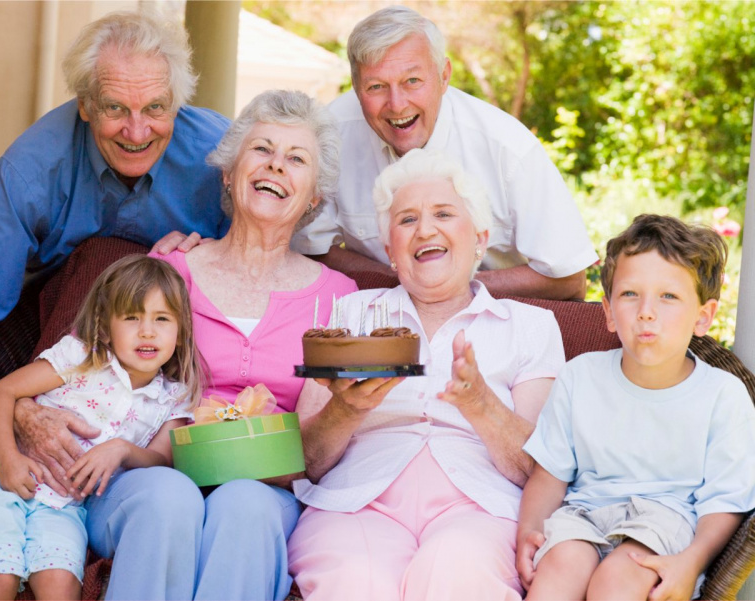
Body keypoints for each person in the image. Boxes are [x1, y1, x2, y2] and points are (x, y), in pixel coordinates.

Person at [16, 90, 357, 600]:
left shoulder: (336, 298)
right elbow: (74, 362)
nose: (275, 167)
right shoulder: (171, 271)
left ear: (313, 197)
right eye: (261, 150)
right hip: (142, 477)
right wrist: (23, 410)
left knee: (245, 504)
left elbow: (315, 452)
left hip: (267, 489)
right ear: (228, 172)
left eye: (296, 159)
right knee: (169, 495)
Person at [0, 10, 230, 478]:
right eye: (115, 108)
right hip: (41, 339)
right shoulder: (31, 170)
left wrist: (208, 256)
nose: (138, 132)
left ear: (179, 103)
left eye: (156, 108)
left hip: (165, 363)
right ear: (85, 104)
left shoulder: (223, 159)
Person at [287, 148, 565, 601]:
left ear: (479, 236)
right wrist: (347, 407)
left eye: (443, 213)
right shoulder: (350, 315)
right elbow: (307, 460)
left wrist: (481, 405)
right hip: (358, 501)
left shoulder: (530, 327)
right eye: (407, 219)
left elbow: (536, 468)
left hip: (480, 506)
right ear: (391, 249)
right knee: (357, 581)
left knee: (457, 572)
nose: (426, 229)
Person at [516, 214, 755, 600]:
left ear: (703, 317)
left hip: (665, 521)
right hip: (584, 515)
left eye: (668, 296)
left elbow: (726, 502)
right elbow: (549, 474)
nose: (646, 311)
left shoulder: (722, 395)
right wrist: (529, 532)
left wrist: (692, 561)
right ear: (608, 311)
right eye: (630, 294)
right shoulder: (581, 376)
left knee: (618, 581)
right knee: (559, 570)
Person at [291, 5, 598, 302]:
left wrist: (449, 286)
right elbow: (310, 249)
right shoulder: (330, 135)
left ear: (444, 76)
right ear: (356, 88)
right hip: (387, 313)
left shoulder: (507, 147)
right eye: (376, 87)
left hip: (502, 315)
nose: (397, 104)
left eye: (412, 81)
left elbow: (569, 279)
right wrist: (403, 283)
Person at [0, 255, 203, 600]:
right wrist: (7, 460)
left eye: (162, 319)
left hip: (66, 506)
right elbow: (3, 392)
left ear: (180, 332)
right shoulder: (81, 356)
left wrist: (122, 450)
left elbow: (161, 459)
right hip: (0, 481)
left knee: (61, 587)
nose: (147, 331)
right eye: (132, 318)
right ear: (104, 326)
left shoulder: (174, 397)